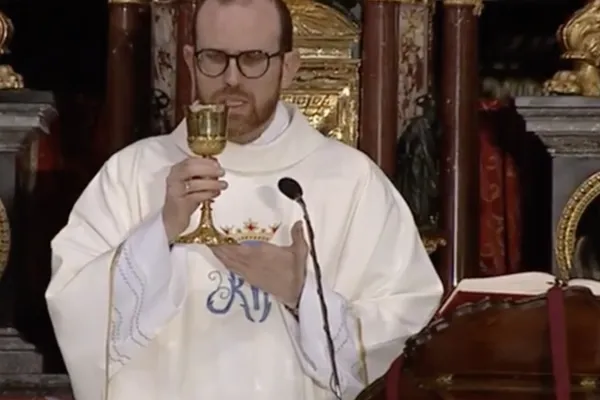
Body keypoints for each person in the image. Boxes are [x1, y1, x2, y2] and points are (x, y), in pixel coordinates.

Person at [45, 0, 443, 398]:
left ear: (289, 66)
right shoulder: (133, 174)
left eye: (253, 58)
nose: (231, 78)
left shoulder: (353, 183)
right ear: (189, 60)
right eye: (214, 58)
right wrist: (160, 231)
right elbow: (74, 311)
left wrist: (300, 294)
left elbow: (407, 333)